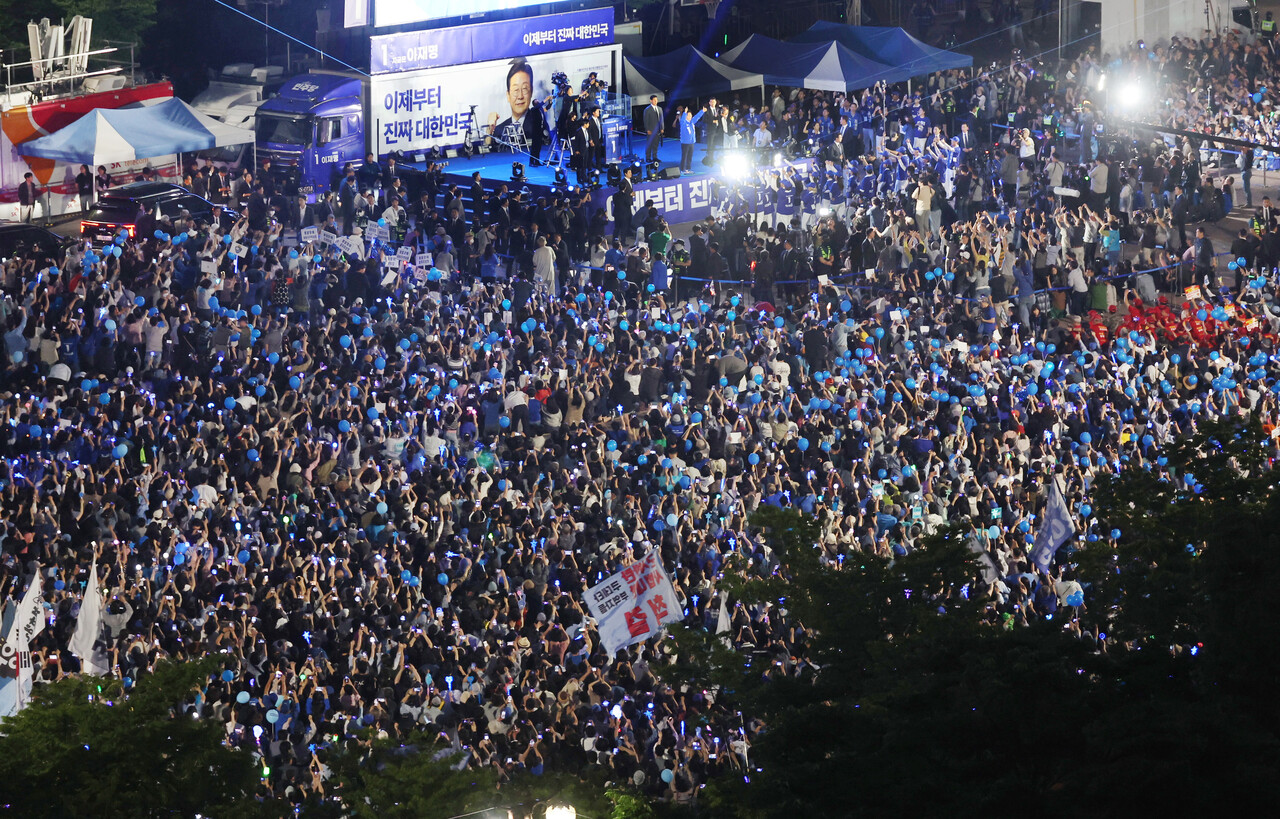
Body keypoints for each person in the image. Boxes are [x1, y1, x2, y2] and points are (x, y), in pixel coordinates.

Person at [488, 60, 545, 164]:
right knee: (535, 149)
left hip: (537, 135)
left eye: (525, 89)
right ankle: (533, 161)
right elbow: (488, 147)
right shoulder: (500, 128)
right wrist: (490, 128)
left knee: (537, 148)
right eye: (515, 90)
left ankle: (535, 161)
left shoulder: (535, 114)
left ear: (531, 91)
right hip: (534, 138)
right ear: (508, 95)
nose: (520, 96)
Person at [678, 106, 706, 175]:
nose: (690, 116)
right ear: (686, 116)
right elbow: (682, 120)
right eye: (689, 115)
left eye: (691, 115)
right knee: (684, 156)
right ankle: (682, 169)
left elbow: (697, 117)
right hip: (685, 142)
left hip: (692, 142)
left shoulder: (692, 122)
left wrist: (702, 111)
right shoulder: (683, 123)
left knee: (690, 156)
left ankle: (688, 168)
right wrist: (684, 112)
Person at [643, 95, 664, 165]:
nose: (656, 101)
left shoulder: (660, 109)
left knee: (656, 144)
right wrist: (647, 129)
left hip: (658, 130)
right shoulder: (647, 110)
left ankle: (655, 157)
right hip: (651, 130)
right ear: (651, 101)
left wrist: (662, 128)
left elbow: (661, 119)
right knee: (649, 144)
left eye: (656, 100)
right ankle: (648, 158)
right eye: (654, 100)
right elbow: (645, 120)